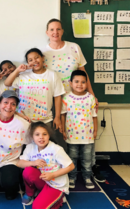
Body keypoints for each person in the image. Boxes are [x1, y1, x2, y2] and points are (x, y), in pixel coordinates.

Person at [41, 18, 105, 182]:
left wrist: (92, 95)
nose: (55, 32)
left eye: (58, 29)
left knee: (83, 136)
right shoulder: (43, 52)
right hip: (54, 100)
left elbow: (83, 73)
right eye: (52, 29)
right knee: (60, 135)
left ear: (62, 31)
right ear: (47, 32)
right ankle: (62, 170)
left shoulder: (74, 47)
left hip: (78, 101)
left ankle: (87, 170)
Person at [5, 48, 65, 142]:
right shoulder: (23, 76)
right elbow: (7, 83)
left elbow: (57, 96)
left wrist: (57, 117)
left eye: (37, 57)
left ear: (42, 58)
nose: (34, 61)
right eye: (30, 60)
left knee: (45, 148)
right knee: (26, 148)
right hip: (25, 120)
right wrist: (17, 70)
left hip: (45, 120)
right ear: (28, 63)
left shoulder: (52, 75)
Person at [17, 122, 74, 208]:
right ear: (32, 137)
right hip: (42, 181)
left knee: (37, 207)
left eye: (44, 134)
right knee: (28, 171)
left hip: (55, 185)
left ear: (49, 136)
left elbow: (71, 166)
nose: (41, 137)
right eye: (37, 134)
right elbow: (19, 163)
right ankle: (30, 194)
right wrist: (33, 163)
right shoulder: (30, 147)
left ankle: (60, 198)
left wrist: (52, 175)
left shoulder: (56, 149)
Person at [61, 70, 98, 189]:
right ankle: (72, 177)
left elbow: (94, 116)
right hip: (72, 135)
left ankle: (87, 177)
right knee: (72, 157)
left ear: (87, 84)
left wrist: (95, 130)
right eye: (76, 81)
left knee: (87, 159)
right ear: (70, 83)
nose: (80, 84)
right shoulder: (66, 98)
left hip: (87, 136)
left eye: (83, 82)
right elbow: (63, 115)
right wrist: (63, 130)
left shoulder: (90, 98)